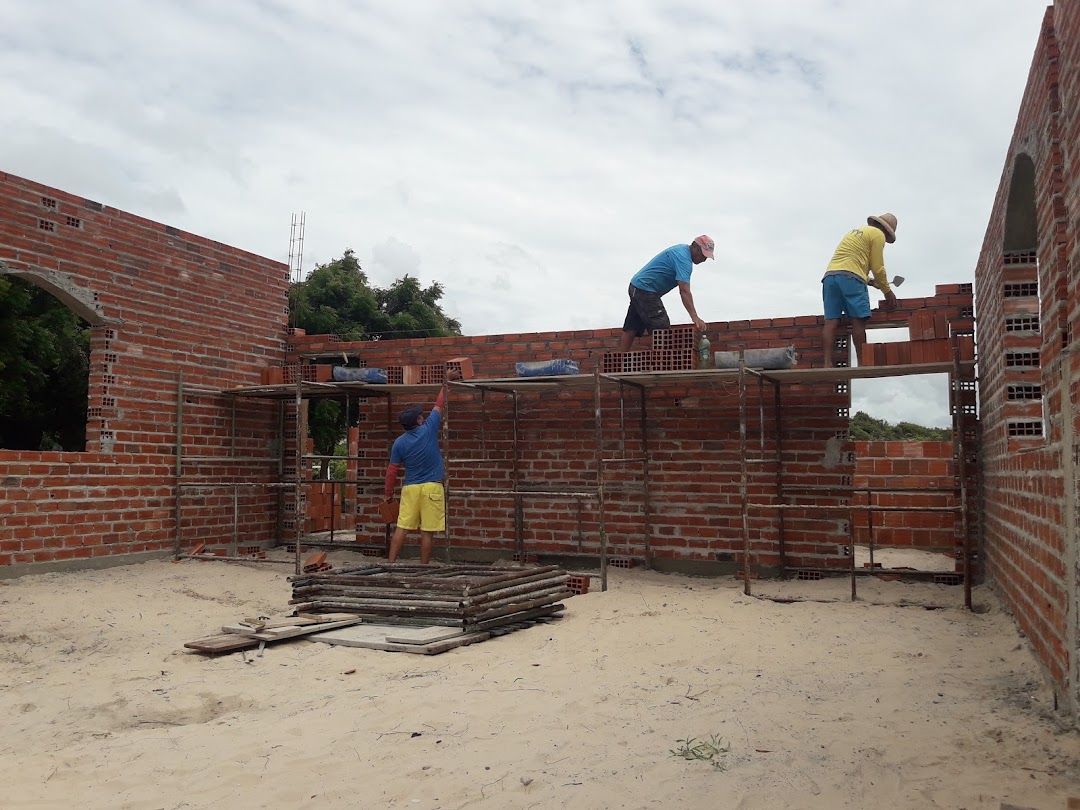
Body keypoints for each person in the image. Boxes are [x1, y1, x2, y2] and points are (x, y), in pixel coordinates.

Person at [383, 382, 449, 564]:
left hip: (410, 488)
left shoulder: (399, 443)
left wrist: (388, 494)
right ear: (419, 420)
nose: (423, 416)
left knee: (401, 528)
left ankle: (390, 564)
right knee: (427, 532)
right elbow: (439, 404)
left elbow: (392, 471)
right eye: (421, 415)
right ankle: (423, 567)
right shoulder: (428, 429)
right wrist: (446, 381)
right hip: (431, 488)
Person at [821, 213, 899, 367]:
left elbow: (848, 263)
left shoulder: (855, 232)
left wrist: (870, 281)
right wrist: (887, 291)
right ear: (886, 230)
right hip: (852, 279)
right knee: (858, 322)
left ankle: (826, 364)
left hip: (830, 277)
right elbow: (878, 267)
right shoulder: (878, 235)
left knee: (830, 322)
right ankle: (863, 364)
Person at [618, 235, 714, 351]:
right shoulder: (684, 259)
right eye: (703, 254)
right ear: (694, 247)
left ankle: (620, 363)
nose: (704, 259)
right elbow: (684, 290)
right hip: (645, 288)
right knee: (660, 326)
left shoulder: (681, 250)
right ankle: (660, 363)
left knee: (632, 327)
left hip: (637, 287)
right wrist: (695, 317)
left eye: (706, 256)